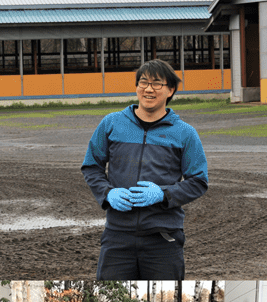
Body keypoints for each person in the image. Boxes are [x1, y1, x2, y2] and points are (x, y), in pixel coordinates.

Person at [82, 59, 209, 280]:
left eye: (157, 84)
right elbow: (92, 166)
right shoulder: (111, 124)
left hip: (164, 238)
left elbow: (198, 180)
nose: (149, 89)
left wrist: (163, 194)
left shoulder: (185, 133)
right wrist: (107, 193)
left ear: (170, 90)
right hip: (117, 236)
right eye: (143, 82)